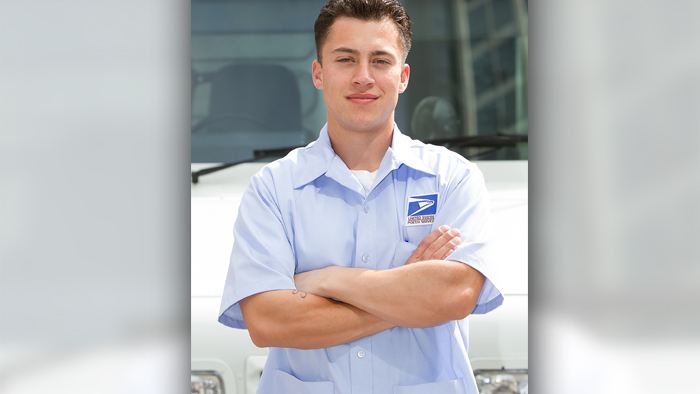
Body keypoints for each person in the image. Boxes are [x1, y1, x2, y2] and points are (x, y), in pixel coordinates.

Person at [218, 0, 503, 392]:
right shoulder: (273, 189)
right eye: (346, 59)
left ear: (402, 76)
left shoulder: (452, 178)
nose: (363, 77)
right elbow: (269, 322)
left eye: (381, 61)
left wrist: (327, 280)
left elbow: (456, 294)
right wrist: (410, 297)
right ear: (319, 73)